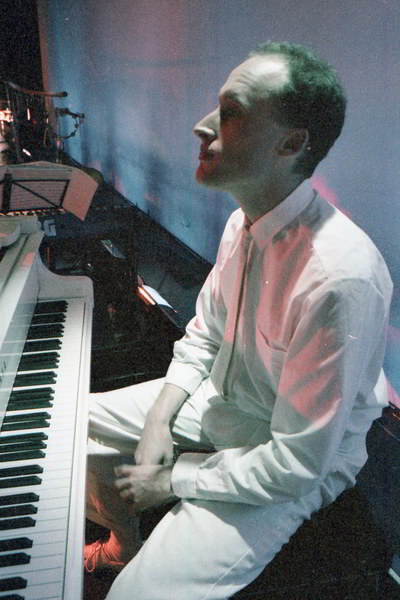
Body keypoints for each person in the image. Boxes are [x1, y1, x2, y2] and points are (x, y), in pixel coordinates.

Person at [85, 41, 393, 600]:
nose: (202, 126)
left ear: (291, 144)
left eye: (231, 113)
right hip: (224, 406)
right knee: (70, 428)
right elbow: (204, 332)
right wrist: (159, 420)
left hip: (289, 458)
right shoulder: (240, 223)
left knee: (138, 597)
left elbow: (299, 461)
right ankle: (121, 544)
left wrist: (173, 480)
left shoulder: (340, 277)